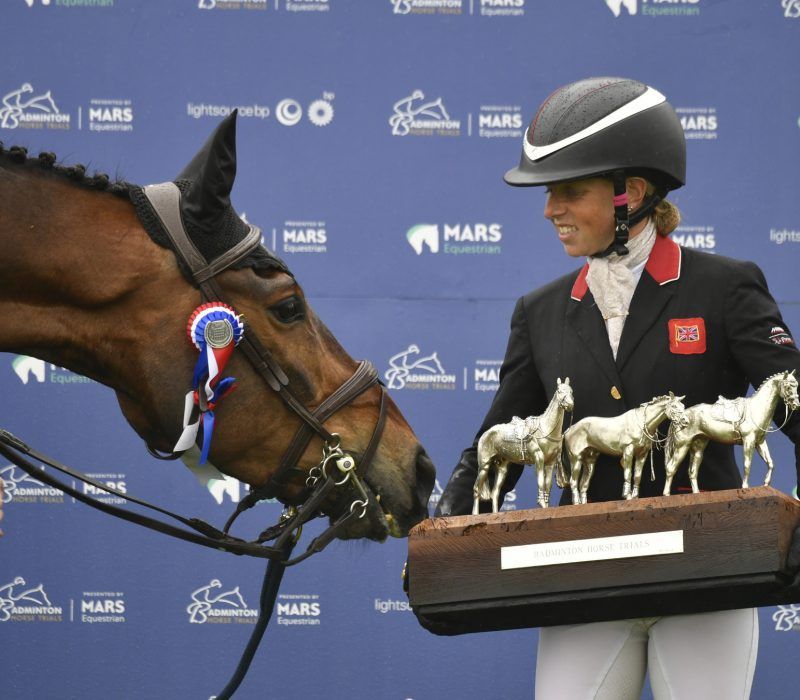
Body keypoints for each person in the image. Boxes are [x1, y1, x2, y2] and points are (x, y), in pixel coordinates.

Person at [434, 77, 800, 699]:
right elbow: (503, 434)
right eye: (548, 192)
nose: (550, 209)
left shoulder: (724, 287)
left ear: (630, 191)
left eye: (569, 191)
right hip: (583, 579)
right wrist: (446, 527)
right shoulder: (539, 311)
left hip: (708, 572)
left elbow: (792, 399)